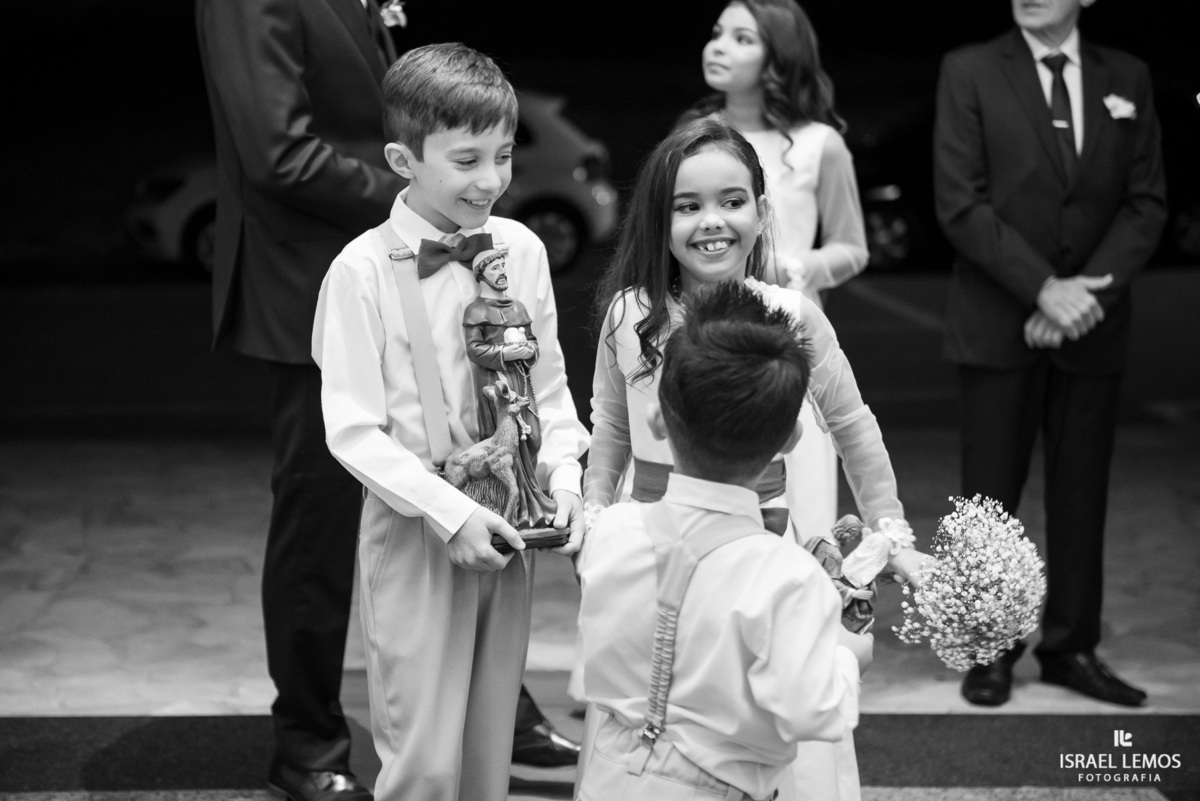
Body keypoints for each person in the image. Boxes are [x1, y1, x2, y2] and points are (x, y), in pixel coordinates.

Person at [583, 117, 923, 801]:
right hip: (656, 548)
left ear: (763, 211)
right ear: (659, 218)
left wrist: (890, 529)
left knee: (775, 706)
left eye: (732, 201)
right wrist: (592, 517)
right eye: (688, 206)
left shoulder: (792, 314)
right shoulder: (628, 314)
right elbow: (612, 430)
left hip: (766, 537)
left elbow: (854, 425)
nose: (713, 222)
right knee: (660, 704)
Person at [311, 43, 589, 801]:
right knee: (422, 761)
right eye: (467, 160)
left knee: (485, 752)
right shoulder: (359, 272)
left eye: (503, 155)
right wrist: (447, 510)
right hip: (415, 527)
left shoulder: (523, 251)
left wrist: (563, 473)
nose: (492, 179)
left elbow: (552, 391)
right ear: (404, 158)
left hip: (513, 531)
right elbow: (352, 429)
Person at [195, 1, 402, 797]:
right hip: (305, 283)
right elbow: (279, 152)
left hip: (389, 271)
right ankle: (308, 744)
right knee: (320, 522)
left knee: (453, 479)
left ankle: (490, 704)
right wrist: (412, 197)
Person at [933, 0, 1166, 708]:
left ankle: (1071, 646)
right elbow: (960, 202)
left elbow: (1145, 203)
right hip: (1000, 318)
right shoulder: (969, 69)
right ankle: (990, 651)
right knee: (990, 498)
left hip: (1092, 320)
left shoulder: (1127, 75)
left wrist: (1079, 296)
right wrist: (1043, 289)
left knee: (1080, 493)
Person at [577, 279, 872, 801]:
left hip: (610, 779)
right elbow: (812, 710)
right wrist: (848, 654)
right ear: (789, 439)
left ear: (657, 420)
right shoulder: (784, 576)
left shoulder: (612, 534)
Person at [682, 0, 870, 539]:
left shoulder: (821, 144)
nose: (718, 46)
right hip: (703, 341)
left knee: (801, 510)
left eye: (742, 38)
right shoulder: (695, 133)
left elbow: (852, 247)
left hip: (789, 349)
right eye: (717, 32)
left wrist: (793, 267)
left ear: (779, 58)